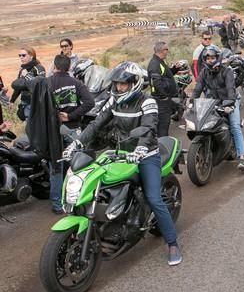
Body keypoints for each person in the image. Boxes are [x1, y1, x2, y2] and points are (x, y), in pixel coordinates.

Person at [62, 61, 183, 265]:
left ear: (134, 83)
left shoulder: (148, 102)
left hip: (146, 155)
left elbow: (149, 127)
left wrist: (142, 148)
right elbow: (96, 123)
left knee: (153, 198)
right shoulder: (113, 101)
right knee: (97, 182)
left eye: (123, 84)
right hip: (119, 153)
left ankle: (172, 243)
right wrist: (77, 143)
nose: (118, 88)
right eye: (116, 84)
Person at [45, 54, 95, 214]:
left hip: (54, 131)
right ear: (69, 67)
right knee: (78, 165)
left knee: (56, 166)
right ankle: (78, 199)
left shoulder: (47, 83)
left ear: (54, 66)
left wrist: (56, 116)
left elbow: (42, 107)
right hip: (73, 128)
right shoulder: (76, 83)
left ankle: (57, 205)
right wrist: (72, 115)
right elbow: (90, 102)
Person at [192, 46, 244, 171]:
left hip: (230, 100)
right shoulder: (204, 72)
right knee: (204, 122)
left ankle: (242, 156)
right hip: (213, 101)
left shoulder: (227, 71)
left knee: (234, 125)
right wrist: (190, 101)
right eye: (208, 58)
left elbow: (230, 89)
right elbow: (197, 89)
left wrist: (230, 102)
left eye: (212, 58)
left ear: (218, 57)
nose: (210, 60)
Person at [147, 41, 177, 137]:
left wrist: (175, 69)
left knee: (164, 124)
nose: (168, 51)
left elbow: (165, 76)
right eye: (166, 49)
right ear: (162, 50)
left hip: (163, 99)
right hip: (161, 101)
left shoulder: (160, 62)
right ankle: (164, 147)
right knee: (163, 126)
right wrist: (164, 97)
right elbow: (157, 83)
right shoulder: (155, 64)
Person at [11, 47, 46, 121]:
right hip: (25, 102)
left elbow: (40, 85)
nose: (21, 57)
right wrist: (12, 101)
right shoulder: (22, 70)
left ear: (31, 56)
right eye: (19, 55)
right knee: (28, 127)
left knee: (34, 127)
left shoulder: (39, 68)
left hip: (36, 103)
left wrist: (26, 76)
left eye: (23, 55)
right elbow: (18, 86)